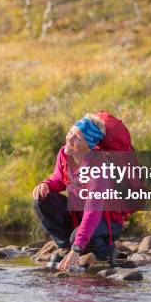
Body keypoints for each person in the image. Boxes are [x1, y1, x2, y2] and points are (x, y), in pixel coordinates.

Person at [32, 111, 135, 271]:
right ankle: (65, 248)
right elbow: (59, 179)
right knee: (42, 199)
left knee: (77, 239)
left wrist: (77, 248)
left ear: (90, 146)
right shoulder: (65, 154)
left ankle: (106, 251)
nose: (69, 139)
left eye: (77, 138)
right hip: (78, 216)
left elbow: (93, 211)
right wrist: (47, 184)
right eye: (71, 132)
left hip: (105, 222)